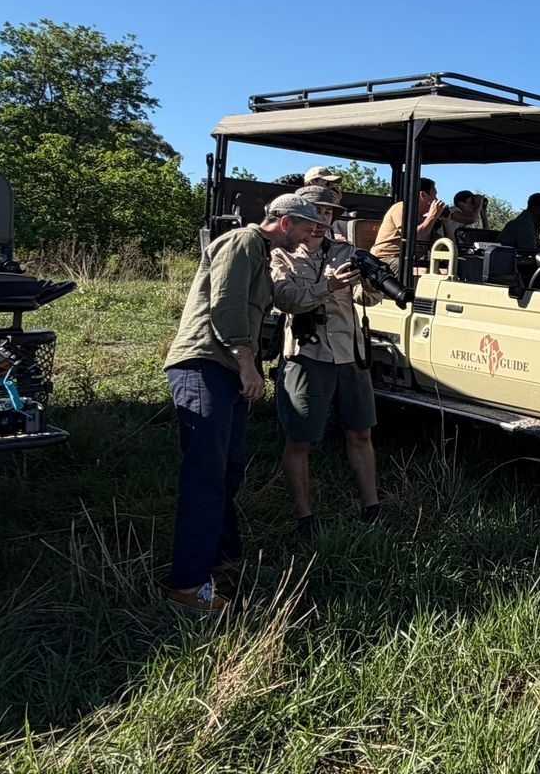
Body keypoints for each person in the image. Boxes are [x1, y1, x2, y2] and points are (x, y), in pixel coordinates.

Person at [161, 193, 327, 614]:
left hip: (228, 371)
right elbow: (227, 307)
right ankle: (188, 585)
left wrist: (331, 285)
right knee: (206, 474)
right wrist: (247, 364)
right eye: (310, 226)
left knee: (229, 470)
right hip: (206, 365)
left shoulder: (264, 253)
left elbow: (285, 301)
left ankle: (221, 561)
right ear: (285, 222)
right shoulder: (242, 243)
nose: (315, 234)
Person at [272, 185, 383, 542]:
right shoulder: (282, 255)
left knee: (361, 431)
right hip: (308, 354)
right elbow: (287, 299)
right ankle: (304, 515)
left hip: (349, 353)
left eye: (329, 213)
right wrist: (328, 284)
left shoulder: (347, 252)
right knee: (301, 438)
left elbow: (368, 299)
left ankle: (372, 506)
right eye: (317, 213)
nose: (322, 221)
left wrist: (373, 282)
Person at [369, 176, 446, 268]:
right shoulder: (401, 208)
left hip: (410, 260)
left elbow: (437, 243)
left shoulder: (423, 218)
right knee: (406, 268)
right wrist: (432, 217)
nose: (436, 200)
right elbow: (412, 237)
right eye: (434, 195)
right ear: (423, 195)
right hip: (386, 260)